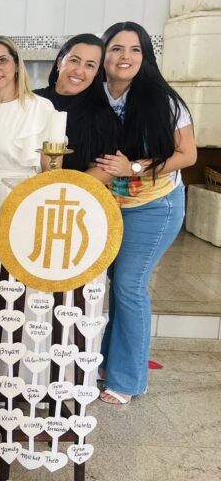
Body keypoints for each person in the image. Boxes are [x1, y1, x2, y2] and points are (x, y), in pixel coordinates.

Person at [95, 22, 196, 404]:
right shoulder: (97, 96)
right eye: (116, 48)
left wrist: (134, 168)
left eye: (134, 49)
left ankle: (128, 380)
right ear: (103, 56)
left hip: (156, 205)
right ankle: (108, 363)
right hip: (112, 206)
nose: (125, 57)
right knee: (115, 285)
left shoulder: (163, 100)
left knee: (129, 286)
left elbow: (188, 155)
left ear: (145, 56)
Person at [0, 35, 55, 368]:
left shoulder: (39, 108)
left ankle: (21, 371)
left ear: (16, 63)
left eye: (2, 60)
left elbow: (50, 169)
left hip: (25, 202)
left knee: (22, 288)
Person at [34, 33, 120, 179]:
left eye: (90, 65)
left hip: (75, 196)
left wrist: (67, 189)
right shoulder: (32, 100)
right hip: (23, 192)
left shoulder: (103, 115)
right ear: (60, 62)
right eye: (74, 60)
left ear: (96, 73)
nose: (79, 71)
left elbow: (106, 169)